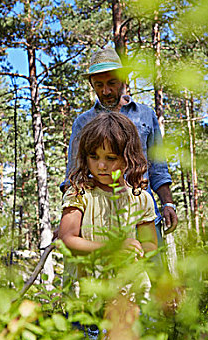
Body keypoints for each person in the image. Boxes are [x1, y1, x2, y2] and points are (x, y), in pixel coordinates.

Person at [60, 46, 178, 248]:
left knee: (153, 271)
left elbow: (158, 167)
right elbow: (73, 175)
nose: (105, 91)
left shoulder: (145, 115)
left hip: (144, 216)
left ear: (123, 80)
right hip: (97, 221)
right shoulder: (83, 122)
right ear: (92, 85)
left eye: (111, 83)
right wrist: (69, 222)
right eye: (99, 85)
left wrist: (167, 203)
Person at [58, 111, 158, 281]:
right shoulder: (80, 193)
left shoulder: (140, 197)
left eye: (110, 158)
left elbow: (150, 244)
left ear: (129, 159)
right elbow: (67, 239)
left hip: (127, 287)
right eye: (93, 157)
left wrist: (136, 250)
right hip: (87, 288)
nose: (101, 166)